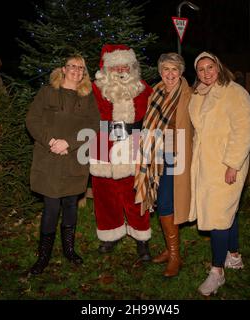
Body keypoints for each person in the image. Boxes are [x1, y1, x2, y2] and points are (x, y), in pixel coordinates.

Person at [25, 54, 100, 275]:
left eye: (81, 68)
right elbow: (32, 120)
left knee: (70, 203)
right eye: (72, 67)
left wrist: (70, 143)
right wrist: (51, 141)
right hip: (49, 157)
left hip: (75, 157)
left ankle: (69, 250)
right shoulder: (47, 92)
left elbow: (95, 125)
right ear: (63, 69)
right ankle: (43, 257)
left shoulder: (87, 97)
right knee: (51, 206)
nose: (77, 70)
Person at [188, 52, 250, 296]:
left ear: (219, 67)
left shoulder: (235, 92)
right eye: (201, 69)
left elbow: (244, 130)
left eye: (210, 67)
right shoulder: (197, 95)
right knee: (228, 210)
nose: (206, 73)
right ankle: (234, 255)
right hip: (205, 164)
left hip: (227, 164)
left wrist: (233, 164)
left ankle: (217, 271)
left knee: (218, 216)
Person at [89, 44, 153, 261]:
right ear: (107, 69)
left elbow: (156, 115)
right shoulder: (95, 88)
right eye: (115, 66)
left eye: (125, 65)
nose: (120, 70)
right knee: (105, 195)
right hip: (102, 143)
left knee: (135, 194)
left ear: (132, 66)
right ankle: (110, 234)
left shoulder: (143, 88)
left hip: (133, 143)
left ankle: (141, 238)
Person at [134, 53, 193, 277]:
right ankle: (170, 250)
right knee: (160, 202)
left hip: (176, 154)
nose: (170, 74)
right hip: (155, 154)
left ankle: (175, 255)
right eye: (166, 69)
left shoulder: (188, 94)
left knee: (167, 202)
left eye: (174, 69)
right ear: (160, 72)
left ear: (181, 72)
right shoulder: (156, 92)